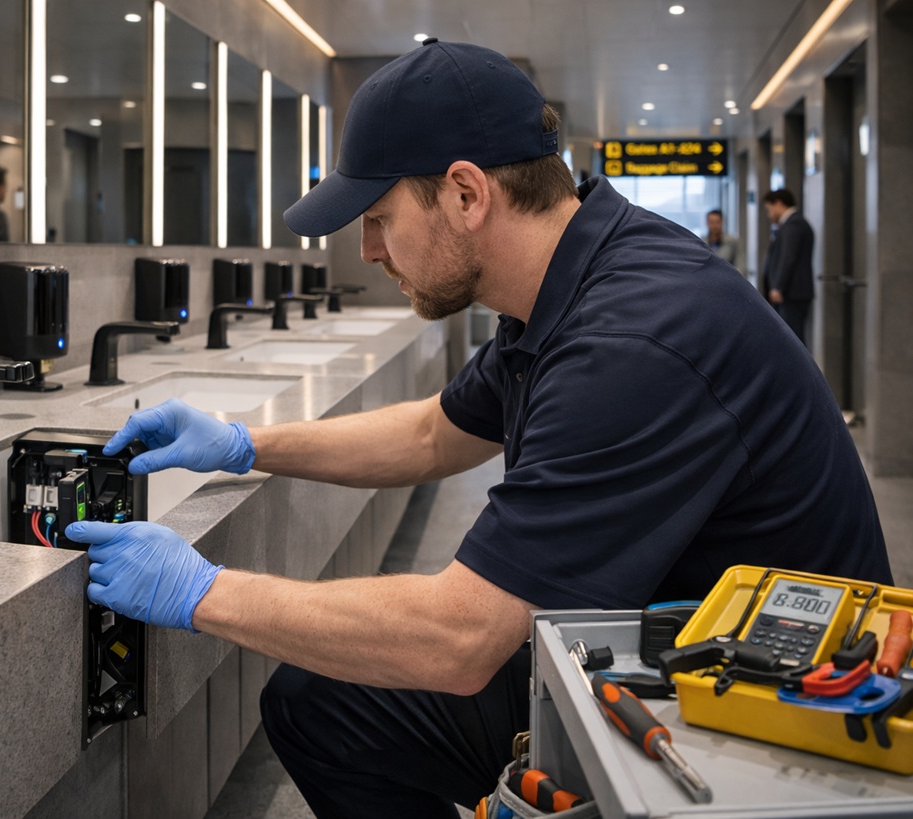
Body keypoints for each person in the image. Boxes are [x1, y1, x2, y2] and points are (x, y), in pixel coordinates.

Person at [64, 40, 891, 818]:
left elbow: (459, 639)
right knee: (317, 703)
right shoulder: (570, 279)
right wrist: (246, 441)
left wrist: (202, 590)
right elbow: (434, 434)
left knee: (340, 699)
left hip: (767, 710)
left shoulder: (632, 341)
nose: (370, 249)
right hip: (649, 636)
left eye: (380, 216)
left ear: (466, 194)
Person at [761, 189, 815, 345]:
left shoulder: (794, 224)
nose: (769, 215)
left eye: (769, 209)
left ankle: (798, 370)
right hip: (791, 292)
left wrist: (778, 286)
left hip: (792, 293)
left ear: (778, 203)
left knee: (793, 341)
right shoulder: (792, 224)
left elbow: (788, 257)